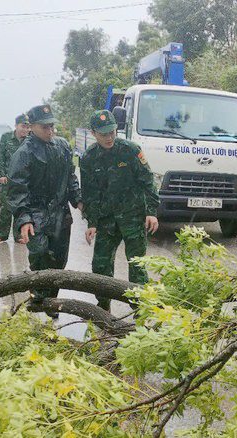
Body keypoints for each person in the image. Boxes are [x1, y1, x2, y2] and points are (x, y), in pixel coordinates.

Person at [7, 104, 83, 317]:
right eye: (45, 127)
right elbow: (17, 188)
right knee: (40, 255)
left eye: (52, 126)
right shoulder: (24, 153)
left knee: (59, 259)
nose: (50, 131)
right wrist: (24, 219)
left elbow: (70, 177)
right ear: (31, 126)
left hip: (60, 213)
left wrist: (78, 200)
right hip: (35, 214)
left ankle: (51, 301)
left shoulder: (62, 146)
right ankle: (37, 297)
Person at [80, 110, 160, 311]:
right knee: (100, 265)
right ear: (93, 133)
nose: (109, 137)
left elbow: (148, 181)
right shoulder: (89, 157)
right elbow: (90, 193)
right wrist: (92, 222)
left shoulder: (130, 150)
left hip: (133, 217)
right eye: (103, 134)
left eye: (112, 132)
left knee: (137, 265)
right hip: (107, 220)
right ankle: (103, 307)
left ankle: (140, 310)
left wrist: (151, 212)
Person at [0, 114, 30, 244]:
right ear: (16, 125)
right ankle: (1, 235)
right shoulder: (6, 137)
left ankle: (19, 235)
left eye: (28, 127)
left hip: (24, 180)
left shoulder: (30, 140)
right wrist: (1, 174)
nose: (25, 129)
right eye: (23, 126)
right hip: (8, 179)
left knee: (21, 206)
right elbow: (1, 157)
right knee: (5, 208)